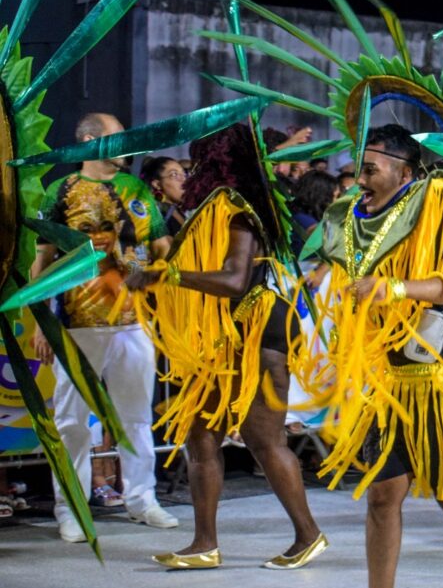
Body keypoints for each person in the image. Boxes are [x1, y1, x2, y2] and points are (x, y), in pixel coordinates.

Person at [309, 123, 443, 588]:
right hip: (387, 383)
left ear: (403, 172)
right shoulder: (352, 221)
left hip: (437, 380)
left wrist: (395, 288)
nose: (358, 176)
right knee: (382, 495)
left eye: (370, 167)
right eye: (359, 166)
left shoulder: (434, 216)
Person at [126, 123, 326, 570]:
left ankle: (309, 534)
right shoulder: (211, 210)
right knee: (200, 436)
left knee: (264, 439)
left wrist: (167, 275)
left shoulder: (239, 210)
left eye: (198, 162)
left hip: (258, 333)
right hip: (224, 341)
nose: (192, 170)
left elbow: (235, 279)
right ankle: (204, 544)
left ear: (219, 163)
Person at [30, 112, 178, 543]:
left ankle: (141, 499)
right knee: (72, 422)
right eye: (117, 139)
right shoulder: (61, 191)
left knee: (135, 419)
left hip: (132, 324)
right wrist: (42, 321)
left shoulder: (134, 191)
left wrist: (143, 264)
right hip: (76, 325)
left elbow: (164, 248)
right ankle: (71, 508)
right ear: (92, 140)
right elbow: (42, 261)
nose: (125, 146)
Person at [140, 155, 187, 236]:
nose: (183, 179)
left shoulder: (177, 210)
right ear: (157, 184)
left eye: (184, 173)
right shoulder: (155, 217)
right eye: (174, 174)